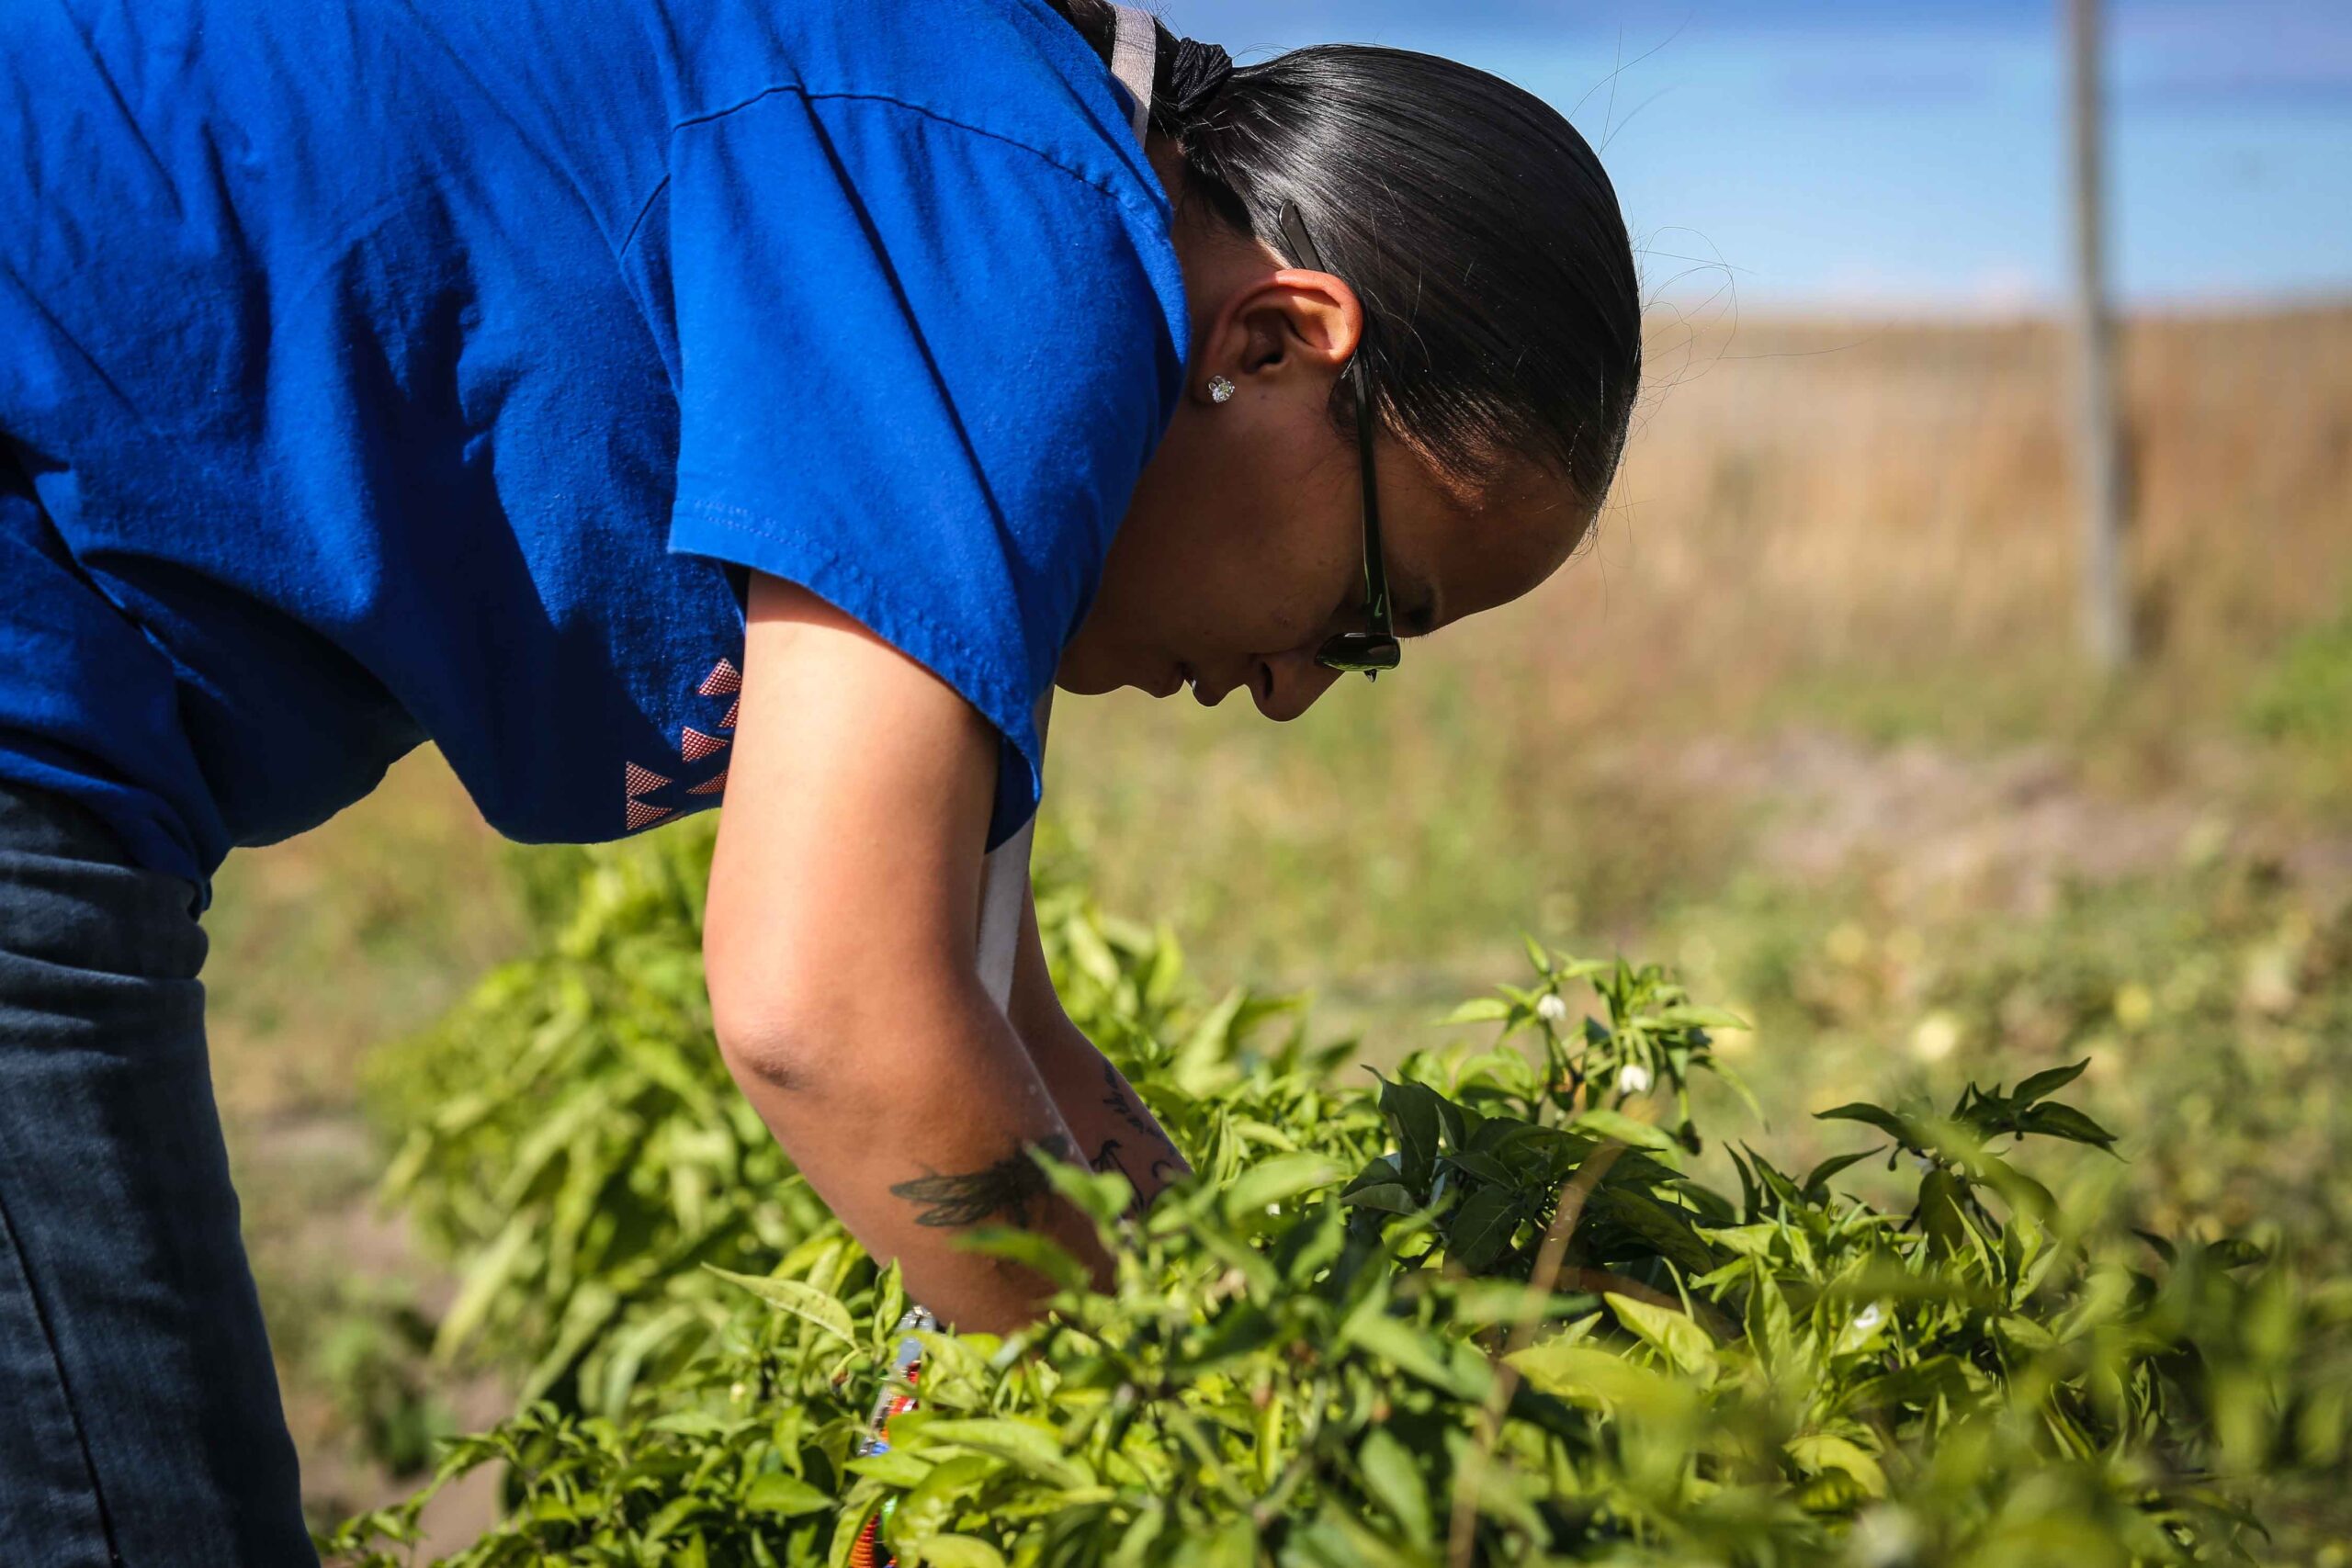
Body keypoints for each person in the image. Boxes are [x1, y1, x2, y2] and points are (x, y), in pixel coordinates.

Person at [0, 0, 1641, 1558]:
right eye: (1367, 615)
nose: (1294, 692)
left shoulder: (973, 224)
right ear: (1280, 341)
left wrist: (1279, 1336)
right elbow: (833, 1018)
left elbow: (995, 1026)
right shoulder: (1025, 240)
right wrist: (1233, 1472)